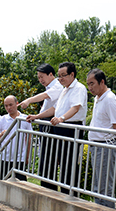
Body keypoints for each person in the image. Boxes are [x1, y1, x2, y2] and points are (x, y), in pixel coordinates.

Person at [26, 62, 87, 194]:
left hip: (71, 127)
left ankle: (70, 194)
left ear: (72, 74)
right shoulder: (64, 89)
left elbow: (75, 108)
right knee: (61, 162)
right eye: (59, 76)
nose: (60, 79)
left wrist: (61, 118)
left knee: (68, 163)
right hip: (60, 127)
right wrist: (37, 116)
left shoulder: (78, 88)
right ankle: (61, 192)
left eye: (63, 75)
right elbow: (54, 109)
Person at [19, 63, 63, 190]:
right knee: (45, 156)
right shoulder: (50, 87)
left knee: (48, 157)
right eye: (38, 78)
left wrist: (29, 100)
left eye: (42, 77)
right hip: (45, 122)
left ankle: (49, 187)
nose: (40, 80)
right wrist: (37, 117)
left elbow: (45, 97)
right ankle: (46, 185)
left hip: (50, 123)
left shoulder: (56, 87)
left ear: (51, 74)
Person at [86, 69, 116, 208]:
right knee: (98, 184)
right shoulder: (98, 98)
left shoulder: (109, 99)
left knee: (104, 186)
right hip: (96, 144)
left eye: (92, 83)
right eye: (88, 84)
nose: (90, 88)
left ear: (102, 82)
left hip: (105, 145)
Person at [0, 95, 33, 181]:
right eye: (6, 106)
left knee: (21, 183)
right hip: (4, 157)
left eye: (10, 105)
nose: (8, 108)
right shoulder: (3, 119)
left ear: (17, 104)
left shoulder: (25, 118)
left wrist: (27, 156)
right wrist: (0, 134)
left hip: (20, 158)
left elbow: (28, 139)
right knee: (3, 182)